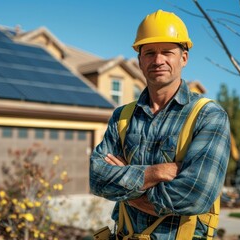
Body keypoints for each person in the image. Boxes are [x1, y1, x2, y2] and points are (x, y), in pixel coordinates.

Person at [90, 10, 231, 239]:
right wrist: (157, 173)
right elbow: (97, 178)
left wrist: (125, 184)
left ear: (184, 58)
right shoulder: (122, 117)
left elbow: (194, 195)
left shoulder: (208, 116)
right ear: (139, 60)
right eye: (150, 53)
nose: (158, 60)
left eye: (167, 52)